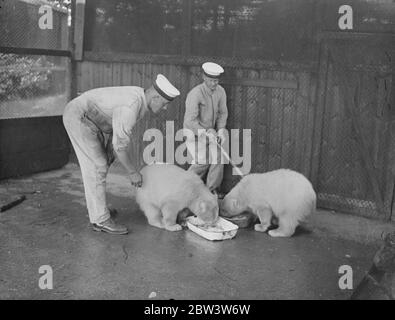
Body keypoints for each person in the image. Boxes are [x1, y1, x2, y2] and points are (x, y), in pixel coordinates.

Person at [63, 74, 180, 235]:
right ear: (155, 97)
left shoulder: (140, 98)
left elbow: (114, 125)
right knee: (97, 166)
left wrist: (110, 150)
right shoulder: (131, 106)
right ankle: (100, 219)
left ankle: (99, 210)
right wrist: (133, 172)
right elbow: (120, 147)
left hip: (93, 120)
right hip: (79, 117)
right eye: (165, 104)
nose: (165, 108)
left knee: (104, 161)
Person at [183, 62, 228, 199]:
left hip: (211, 132)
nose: (214, 84)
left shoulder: (221, 91)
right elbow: (190, 121)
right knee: (203, 160)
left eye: (216, 80)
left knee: (219, 156)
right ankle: (183, 188)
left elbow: (222, 113)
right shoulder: (195, 94)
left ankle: (211, 191)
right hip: (193, 133)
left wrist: (220, 130)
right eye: (211, 80)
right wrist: (205, 133)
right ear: (203, 77)